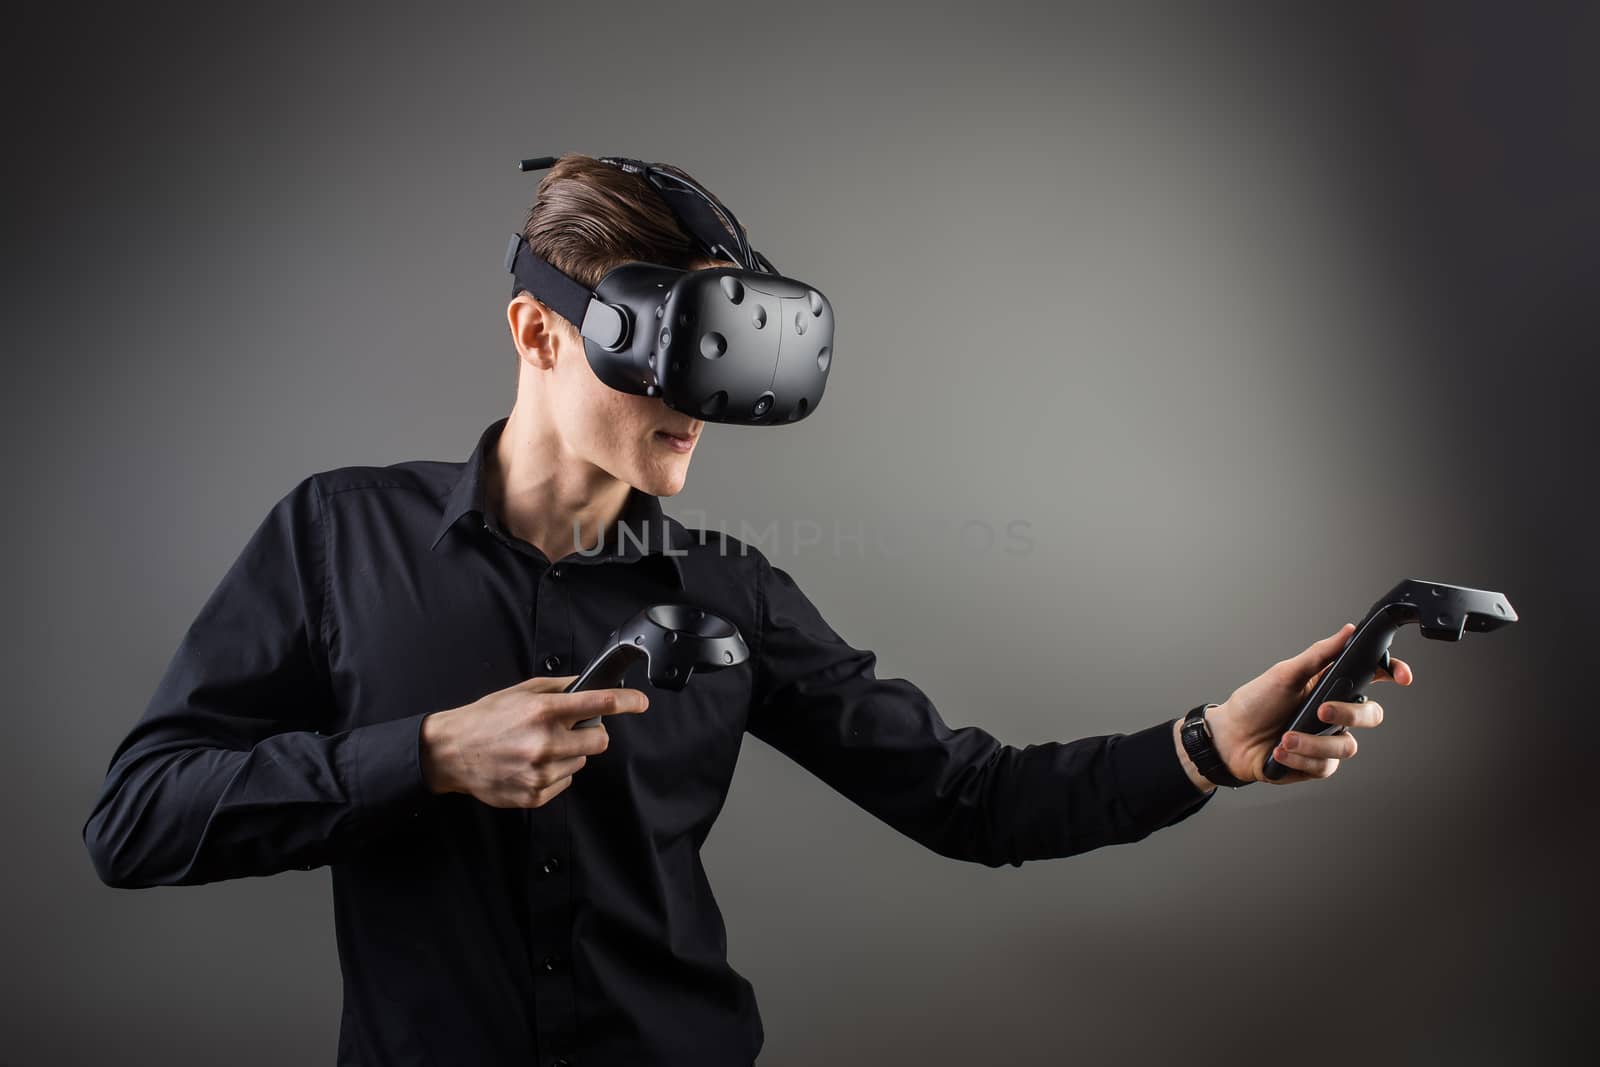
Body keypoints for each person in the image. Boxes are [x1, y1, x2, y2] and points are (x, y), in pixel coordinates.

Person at [83, 153, 1411, 1066]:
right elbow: (136, 821)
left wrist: (1206, 744)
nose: (703, 399)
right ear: (539, 334)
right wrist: (427, 756)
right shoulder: (337, 535)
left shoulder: (732, 595)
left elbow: (970, 799)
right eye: (660, 341)